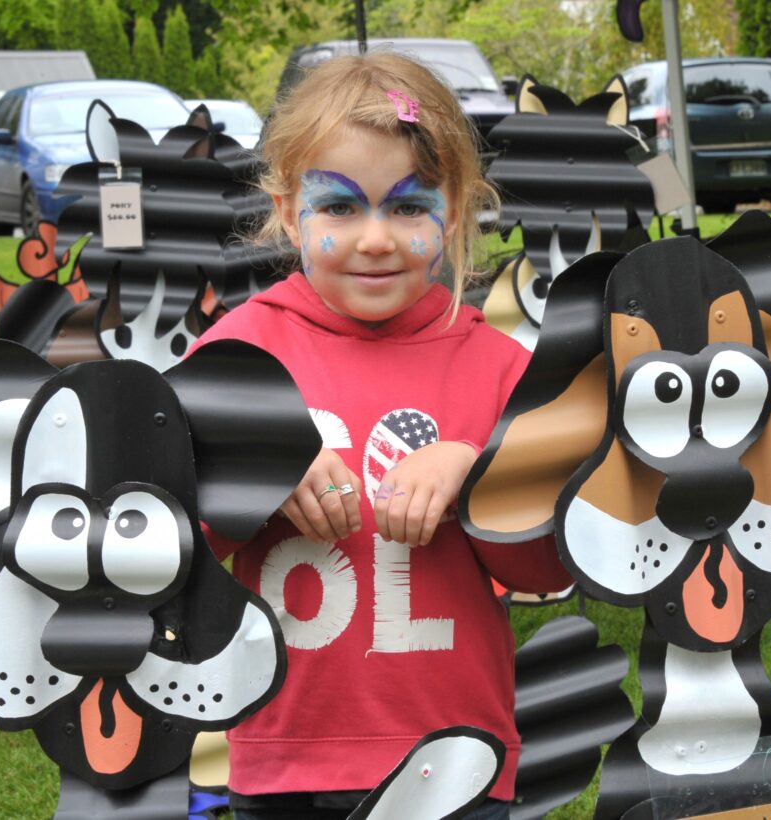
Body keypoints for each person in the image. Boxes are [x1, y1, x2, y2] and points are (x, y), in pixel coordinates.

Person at [192, 51, 573, 820]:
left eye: (407, 207)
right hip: (283, 754)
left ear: (456, 209)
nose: (374, 239)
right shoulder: (234, 358)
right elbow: (171, 551)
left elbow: (548, 566)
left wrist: (479, 471)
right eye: (340, 208)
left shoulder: (504, 371)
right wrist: (255, 471)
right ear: (290, 209)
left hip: (457, 757)